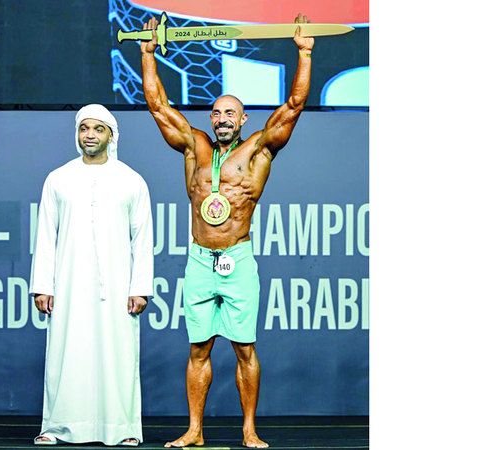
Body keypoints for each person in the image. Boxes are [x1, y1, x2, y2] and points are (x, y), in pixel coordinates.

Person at [140, 13, 315, 449]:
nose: (220, 118)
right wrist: (147, 56)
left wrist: (305, 54)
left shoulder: (258, 151)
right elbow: (159, 106)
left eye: (229, 114)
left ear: (242, 120)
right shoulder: (194, 146)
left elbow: (292, 107)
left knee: (244, 349)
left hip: (237, 260)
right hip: (200, 259)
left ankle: (249, 430)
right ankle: (195, 430)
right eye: (216, 112)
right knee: (198, 349)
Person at [29, 104, 154, 446]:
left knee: (119, 354)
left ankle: (123, 429)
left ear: (111, 136)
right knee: (65, 353)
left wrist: (140, 287)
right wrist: (43, 285)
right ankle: (57, 427)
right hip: (68, 285)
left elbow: (142, 238)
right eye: (85, 128)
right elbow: (46, 235)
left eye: (98, 129)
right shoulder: (59, 178)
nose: (90, 135)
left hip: (117, 287)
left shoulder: (131, 180)